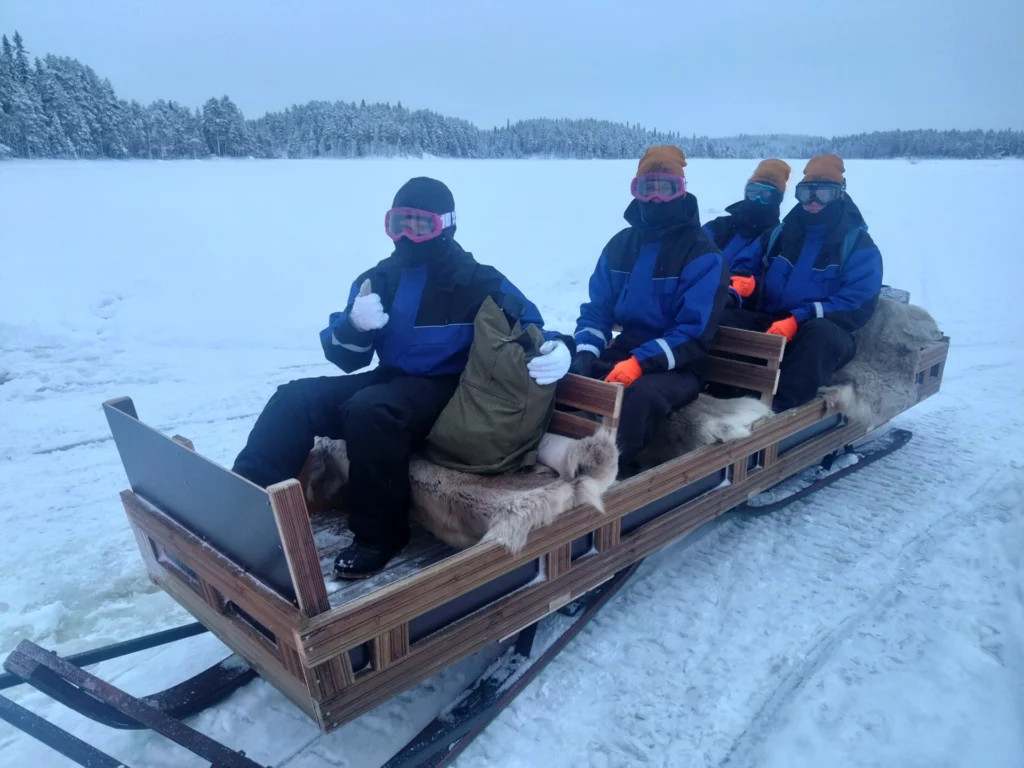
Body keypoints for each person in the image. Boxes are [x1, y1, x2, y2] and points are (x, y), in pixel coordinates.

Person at [232, 177, 573, 578]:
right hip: (392, 379)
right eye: (399, 223)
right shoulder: (379, 279)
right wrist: (354, 327)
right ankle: (244, 507)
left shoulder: (479, 280)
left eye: (422, 225)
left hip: (452, 391)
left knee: (371, 410)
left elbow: (530, 328)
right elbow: (346, 359)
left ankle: (381, 536)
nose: (409, 235)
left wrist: (561, 348)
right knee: (293, 399)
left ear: (447, 225)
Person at [570, 145, 729, 473]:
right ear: (636, 191)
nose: (656, 197)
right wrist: (586, 349)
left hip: (679, 366)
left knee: (638, 397)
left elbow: (693, 334)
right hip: (626, 349)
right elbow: (597, 308)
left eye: (667, 188)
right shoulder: (621, 245)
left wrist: (641, 363)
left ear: (682, 192)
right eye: (647, 187)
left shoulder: (702, 253)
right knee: (566, 375)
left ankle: (609, 477)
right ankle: (547, 461)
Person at [724, 154, 883, 412]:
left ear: (839, 194)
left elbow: (855, 303)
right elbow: (746, 265)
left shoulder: (858, 245)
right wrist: (743, 288)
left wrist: (799, 318)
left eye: (823, 194)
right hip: (772, 320)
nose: (813, 202)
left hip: (822, 329)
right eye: (806, 193)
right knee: (722, 317)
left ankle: (778, 415)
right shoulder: (780, 234)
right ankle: (725, 396)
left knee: (821, 337)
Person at [702, 159, 791, 306]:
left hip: (741, 308)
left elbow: (778, 283)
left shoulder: (777, 238)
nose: (757, 198)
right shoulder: (720, 226)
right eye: (753, 191)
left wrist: (753, 286)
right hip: (701, 294)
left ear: (778, 199)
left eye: (766, 194)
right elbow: (692, 254)